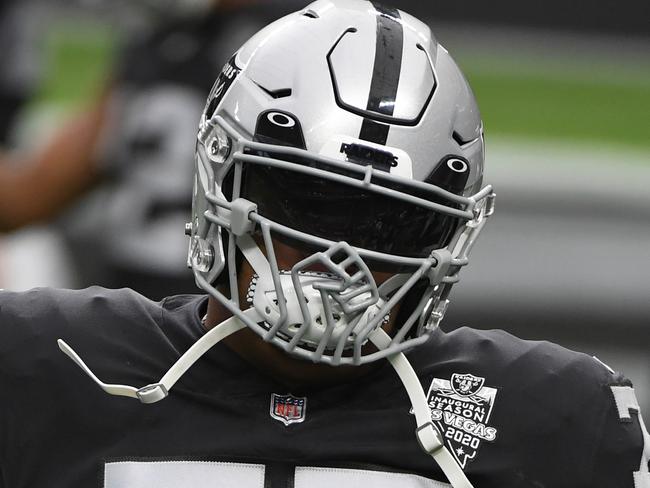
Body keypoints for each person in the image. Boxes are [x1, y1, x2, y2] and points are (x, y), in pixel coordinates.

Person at [1, 1, 648, 487]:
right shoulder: (40, 365)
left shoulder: (556, 416)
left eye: (393, 224)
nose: (339, 258)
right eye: (304, 202)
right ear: (221, 179)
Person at [0, 0, 273, 299]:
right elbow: (26, 196)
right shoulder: (285, 46)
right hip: (228, 317)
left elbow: (26, 196)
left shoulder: (164, 48)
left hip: (132, 318)